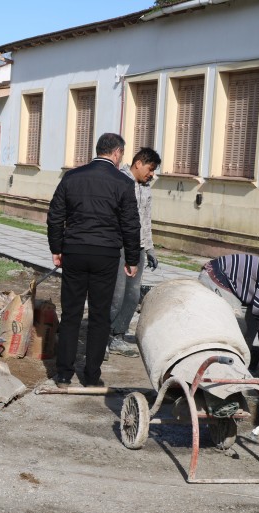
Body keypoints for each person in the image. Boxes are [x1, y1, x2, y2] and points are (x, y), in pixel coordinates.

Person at [47, 133, 141, 388]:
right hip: (106, 255)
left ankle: (64, 375)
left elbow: (55, 216)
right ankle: (91, 376)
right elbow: (131, 225)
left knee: (71, 313)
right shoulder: (122, 182)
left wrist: (56, 248)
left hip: (74, 251)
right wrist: (132, 258)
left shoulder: (72, 177)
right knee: (100, 315)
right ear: (117, 153)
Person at [108, 147, 162, 358]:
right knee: (116, 295)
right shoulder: (118, 181)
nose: (152, 174)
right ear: (138, 163)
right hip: (119, 246)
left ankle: (118, 336)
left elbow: (146, 219)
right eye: (150, 169)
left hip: (137, 247)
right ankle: (102, 336)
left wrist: (149, 248)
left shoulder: (146, 188)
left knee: (132, 295)